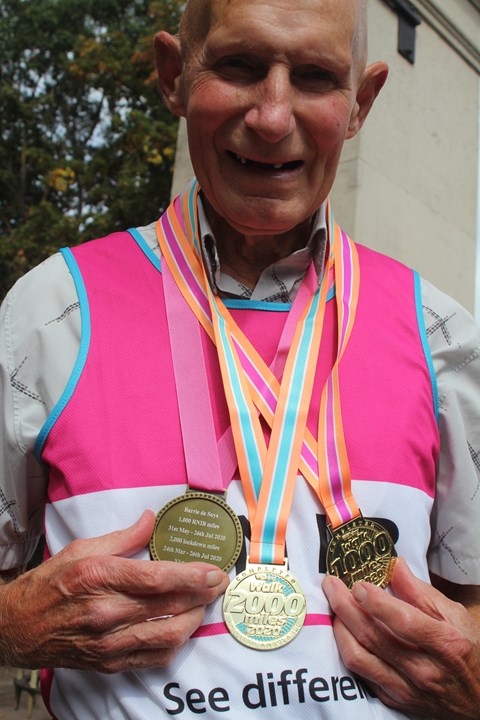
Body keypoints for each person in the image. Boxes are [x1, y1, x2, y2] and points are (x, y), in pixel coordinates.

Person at [0, 0, 479, 718]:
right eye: (240, 66)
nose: (272, 116)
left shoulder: (443, 335)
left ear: (361, 103)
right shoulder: (49, 314)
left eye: (315, 76)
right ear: (173, 77)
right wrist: (13, 625)